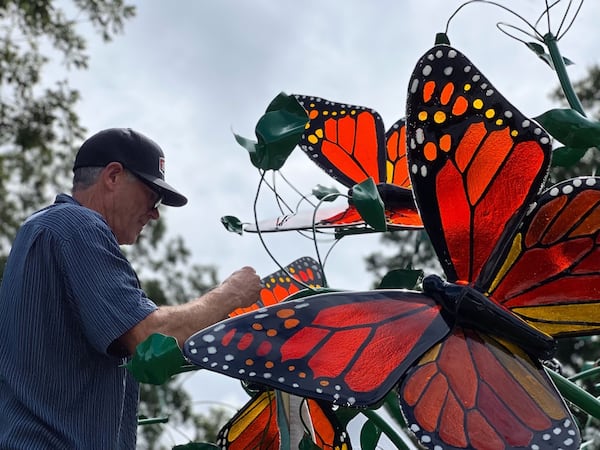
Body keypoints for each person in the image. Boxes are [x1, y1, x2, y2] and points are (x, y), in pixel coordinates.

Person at [0, 128, 262, 449]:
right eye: (152, 197)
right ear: (113, 176)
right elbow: (149, 338)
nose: (154, 213)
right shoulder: (78, 226)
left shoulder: (40, 231)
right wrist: (233, 293)